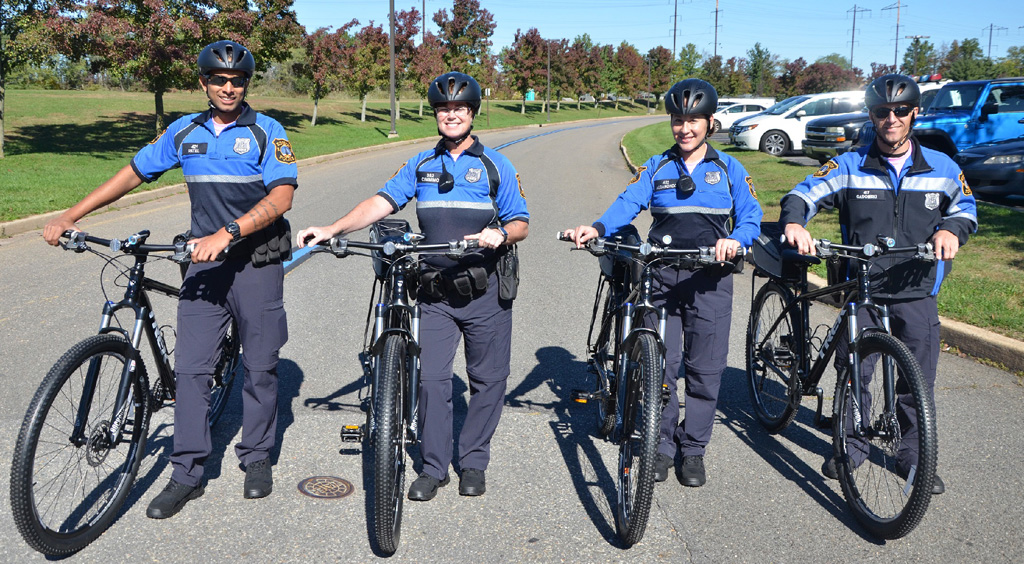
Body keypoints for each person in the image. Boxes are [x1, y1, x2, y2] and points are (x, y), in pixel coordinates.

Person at [43, 40, 297, 518]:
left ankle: (257, 456)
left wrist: (228, 232)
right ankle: (187, 473)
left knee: (261, 366)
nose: (228, 87)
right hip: (204, 263)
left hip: (257, 263)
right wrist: (70, 215)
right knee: (192, 371)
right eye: (218, 80)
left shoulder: (268, 131)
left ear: (246, 84)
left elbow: (282, 197)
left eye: (236, 80)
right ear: (203, 84)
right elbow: (133, 174)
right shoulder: (185, 131)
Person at [297, 71, 529, 501]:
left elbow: (520, 222)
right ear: (436, 114)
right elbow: (381, 201)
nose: (452, 115)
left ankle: (474, 460)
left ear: (472, 114)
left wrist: (501, 234)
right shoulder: (421, 165)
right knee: (432, 382)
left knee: (488, 380)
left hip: (486, 291)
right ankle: (434, 467)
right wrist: (333, 227)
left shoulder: (497, 165)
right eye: (444, 109)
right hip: (435, 292)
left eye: (459, 108)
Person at [780, 73, 978, 494]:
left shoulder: (942, 167)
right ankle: (851, 449)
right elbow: (802, 194)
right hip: (863, 289)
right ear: (871, 116)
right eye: (882, 111)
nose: (892, 118)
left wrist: (951, 230)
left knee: (917, 381)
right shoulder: (850, 164)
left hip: (917, 287)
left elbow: (966, 207)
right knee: (856, 372)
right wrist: (796, 222)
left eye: (901, 110)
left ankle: (912, 456)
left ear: (915, 113)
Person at [563, 79, 762, 487]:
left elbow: (751, 216)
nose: (684, 129)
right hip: (663, 277)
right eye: (677, 120)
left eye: (693, 121)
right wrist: (597, 226)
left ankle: (693, 449)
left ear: (710, 123)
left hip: (711, 278)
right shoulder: (656, 166)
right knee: (662, 368)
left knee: (705, 369)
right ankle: (663, 445)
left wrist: (735, 239)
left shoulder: (729, 169)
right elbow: (629, 202)